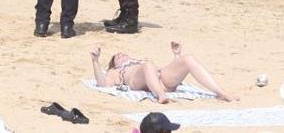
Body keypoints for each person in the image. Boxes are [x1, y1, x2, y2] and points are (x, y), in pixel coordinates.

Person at [90, 42, 235, 102]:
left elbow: (164, 71)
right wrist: (95, 61)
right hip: (138, 82)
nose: (121, 55)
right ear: (113, 64)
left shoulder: (141, 60)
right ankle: (161, 96)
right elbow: (103, 85)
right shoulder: (115, 71)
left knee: (188, 59)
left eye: (123, 53)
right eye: (117, 57)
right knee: (147, 65)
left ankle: (220, 92)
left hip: (161, 80)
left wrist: (176, 56)